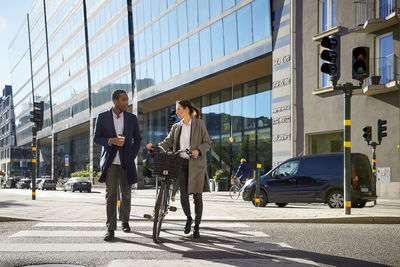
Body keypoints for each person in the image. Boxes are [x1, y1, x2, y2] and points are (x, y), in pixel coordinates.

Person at [146, 100, 211, 239]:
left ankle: (197, 227)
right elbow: (167, 142)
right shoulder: (176, 127)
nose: (177, 112)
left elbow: (207, 142)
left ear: (186, 109)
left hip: (196, 164)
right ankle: (188, 218)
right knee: (183, 195)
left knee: (197, 196)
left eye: (179, 109)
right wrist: (156, 146)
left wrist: (198, 151)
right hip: (180, 163)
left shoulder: (199, 124)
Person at [93, 89, 141, 241]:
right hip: (110, 162)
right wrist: (110, 141)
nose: (127, 102)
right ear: (115, 101)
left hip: (126, 161)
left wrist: (132, 155)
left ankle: (125, 221)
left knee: (126, 193)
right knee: (111, 194)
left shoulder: (132, 118)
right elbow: (96, 138)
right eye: (124, 100)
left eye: (127, 99)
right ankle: (110, 228)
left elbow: (138, 139)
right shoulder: (102, 117)